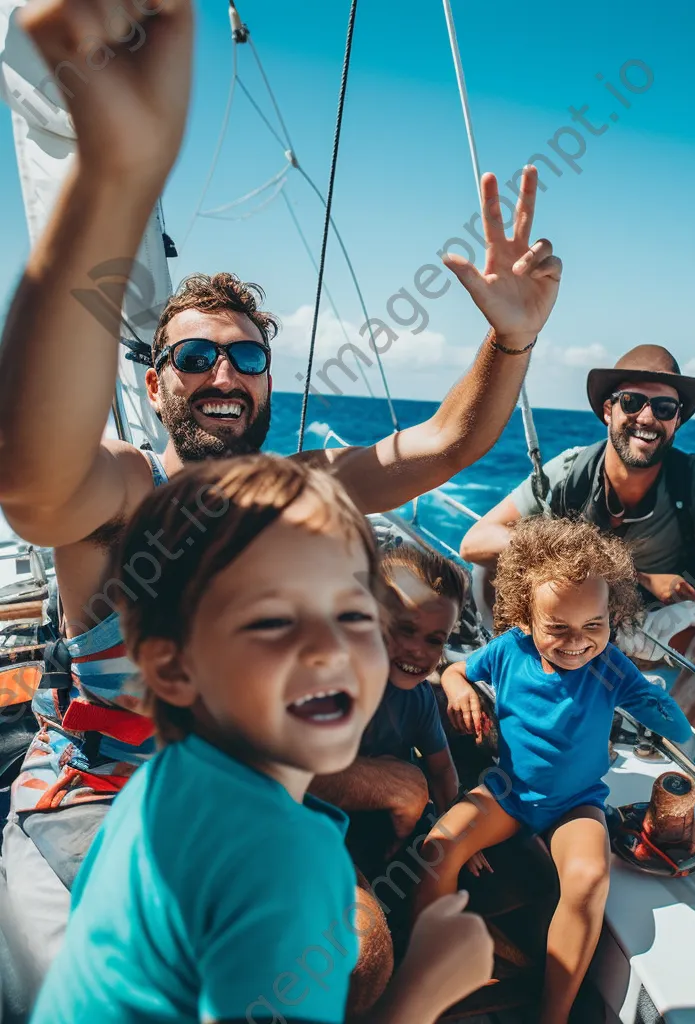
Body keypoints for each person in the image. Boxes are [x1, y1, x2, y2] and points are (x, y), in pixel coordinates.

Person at [0, 0, 561, 981]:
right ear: (153, 380)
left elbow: (446, 441)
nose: (223, 375)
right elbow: (33, 484)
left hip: (241, 789)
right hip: (99, 796)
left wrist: (511, 338)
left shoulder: (299, 487)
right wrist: (114, 174)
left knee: (363, 951)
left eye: (245, 356)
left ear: (270, 375)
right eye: (196, 356)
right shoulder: (127, 490)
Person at [28, 454, 494, 1024]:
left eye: (353, 615)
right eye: (274, 620)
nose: (332, 650)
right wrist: (426, 985)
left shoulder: (161, 789)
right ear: (173, 670)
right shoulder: (286, 855)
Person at [416, 517, 692, 1024]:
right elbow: (457, 669)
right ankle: (422, 977)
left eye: (594, 625)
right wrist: (458, 689)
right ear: (524, 618)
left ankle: (554, 1014)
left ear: (613, 615)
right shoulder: (506, 650)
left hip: (576, 804)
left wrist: (650, 695)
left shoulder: (610, 665)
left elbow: (677, 728)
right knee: (438, 851)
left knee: (588, 879)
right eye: (557, 628)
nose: (577, 642)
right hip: (507, 792)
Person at [459, 344, 695, 747]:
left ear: (677, 420)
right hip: (570, 621)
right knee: (491, 566)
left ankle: (664, 758)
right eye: (632, 402)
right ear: (608, 410)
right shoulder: (570, 470)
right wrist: (633, 574)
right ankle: (515, 678)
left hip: (646, 633)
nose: (647, 417)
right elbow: (474, 543)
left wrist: (678, 615)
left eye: (664, 408)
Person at [311, 545, 490, 941]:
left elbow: (441, 767)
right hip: (326, 823)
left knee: (458, 871)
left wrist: (457, 826)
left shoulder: (418, 699)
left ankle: (414, 941)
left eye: (434, 640)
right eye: (404, 630)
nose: (417, 650)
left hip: (389, 824)